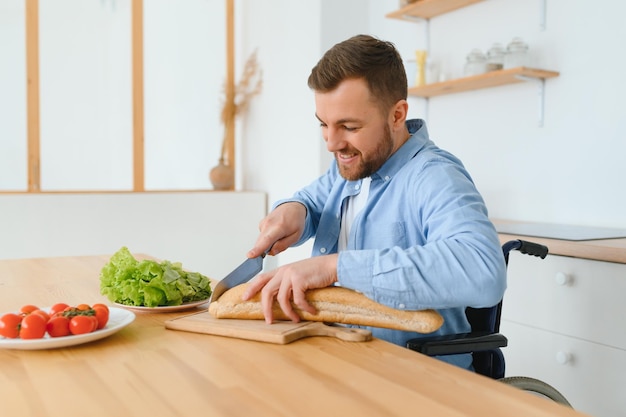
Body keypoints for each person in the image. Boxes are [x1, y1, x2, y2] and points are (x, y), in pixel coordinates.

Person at [242, 34, 507, 370]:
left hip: (415, 379)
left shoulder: (434, 175)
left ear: (397, 115)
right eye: (324, 124)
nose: (332, 143)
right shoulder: (351, 164)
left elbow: (483, 271)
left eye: (349, 126)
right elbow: (312, 199)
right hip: (342, 363)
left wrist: (333, 267)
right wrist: (293, 210)